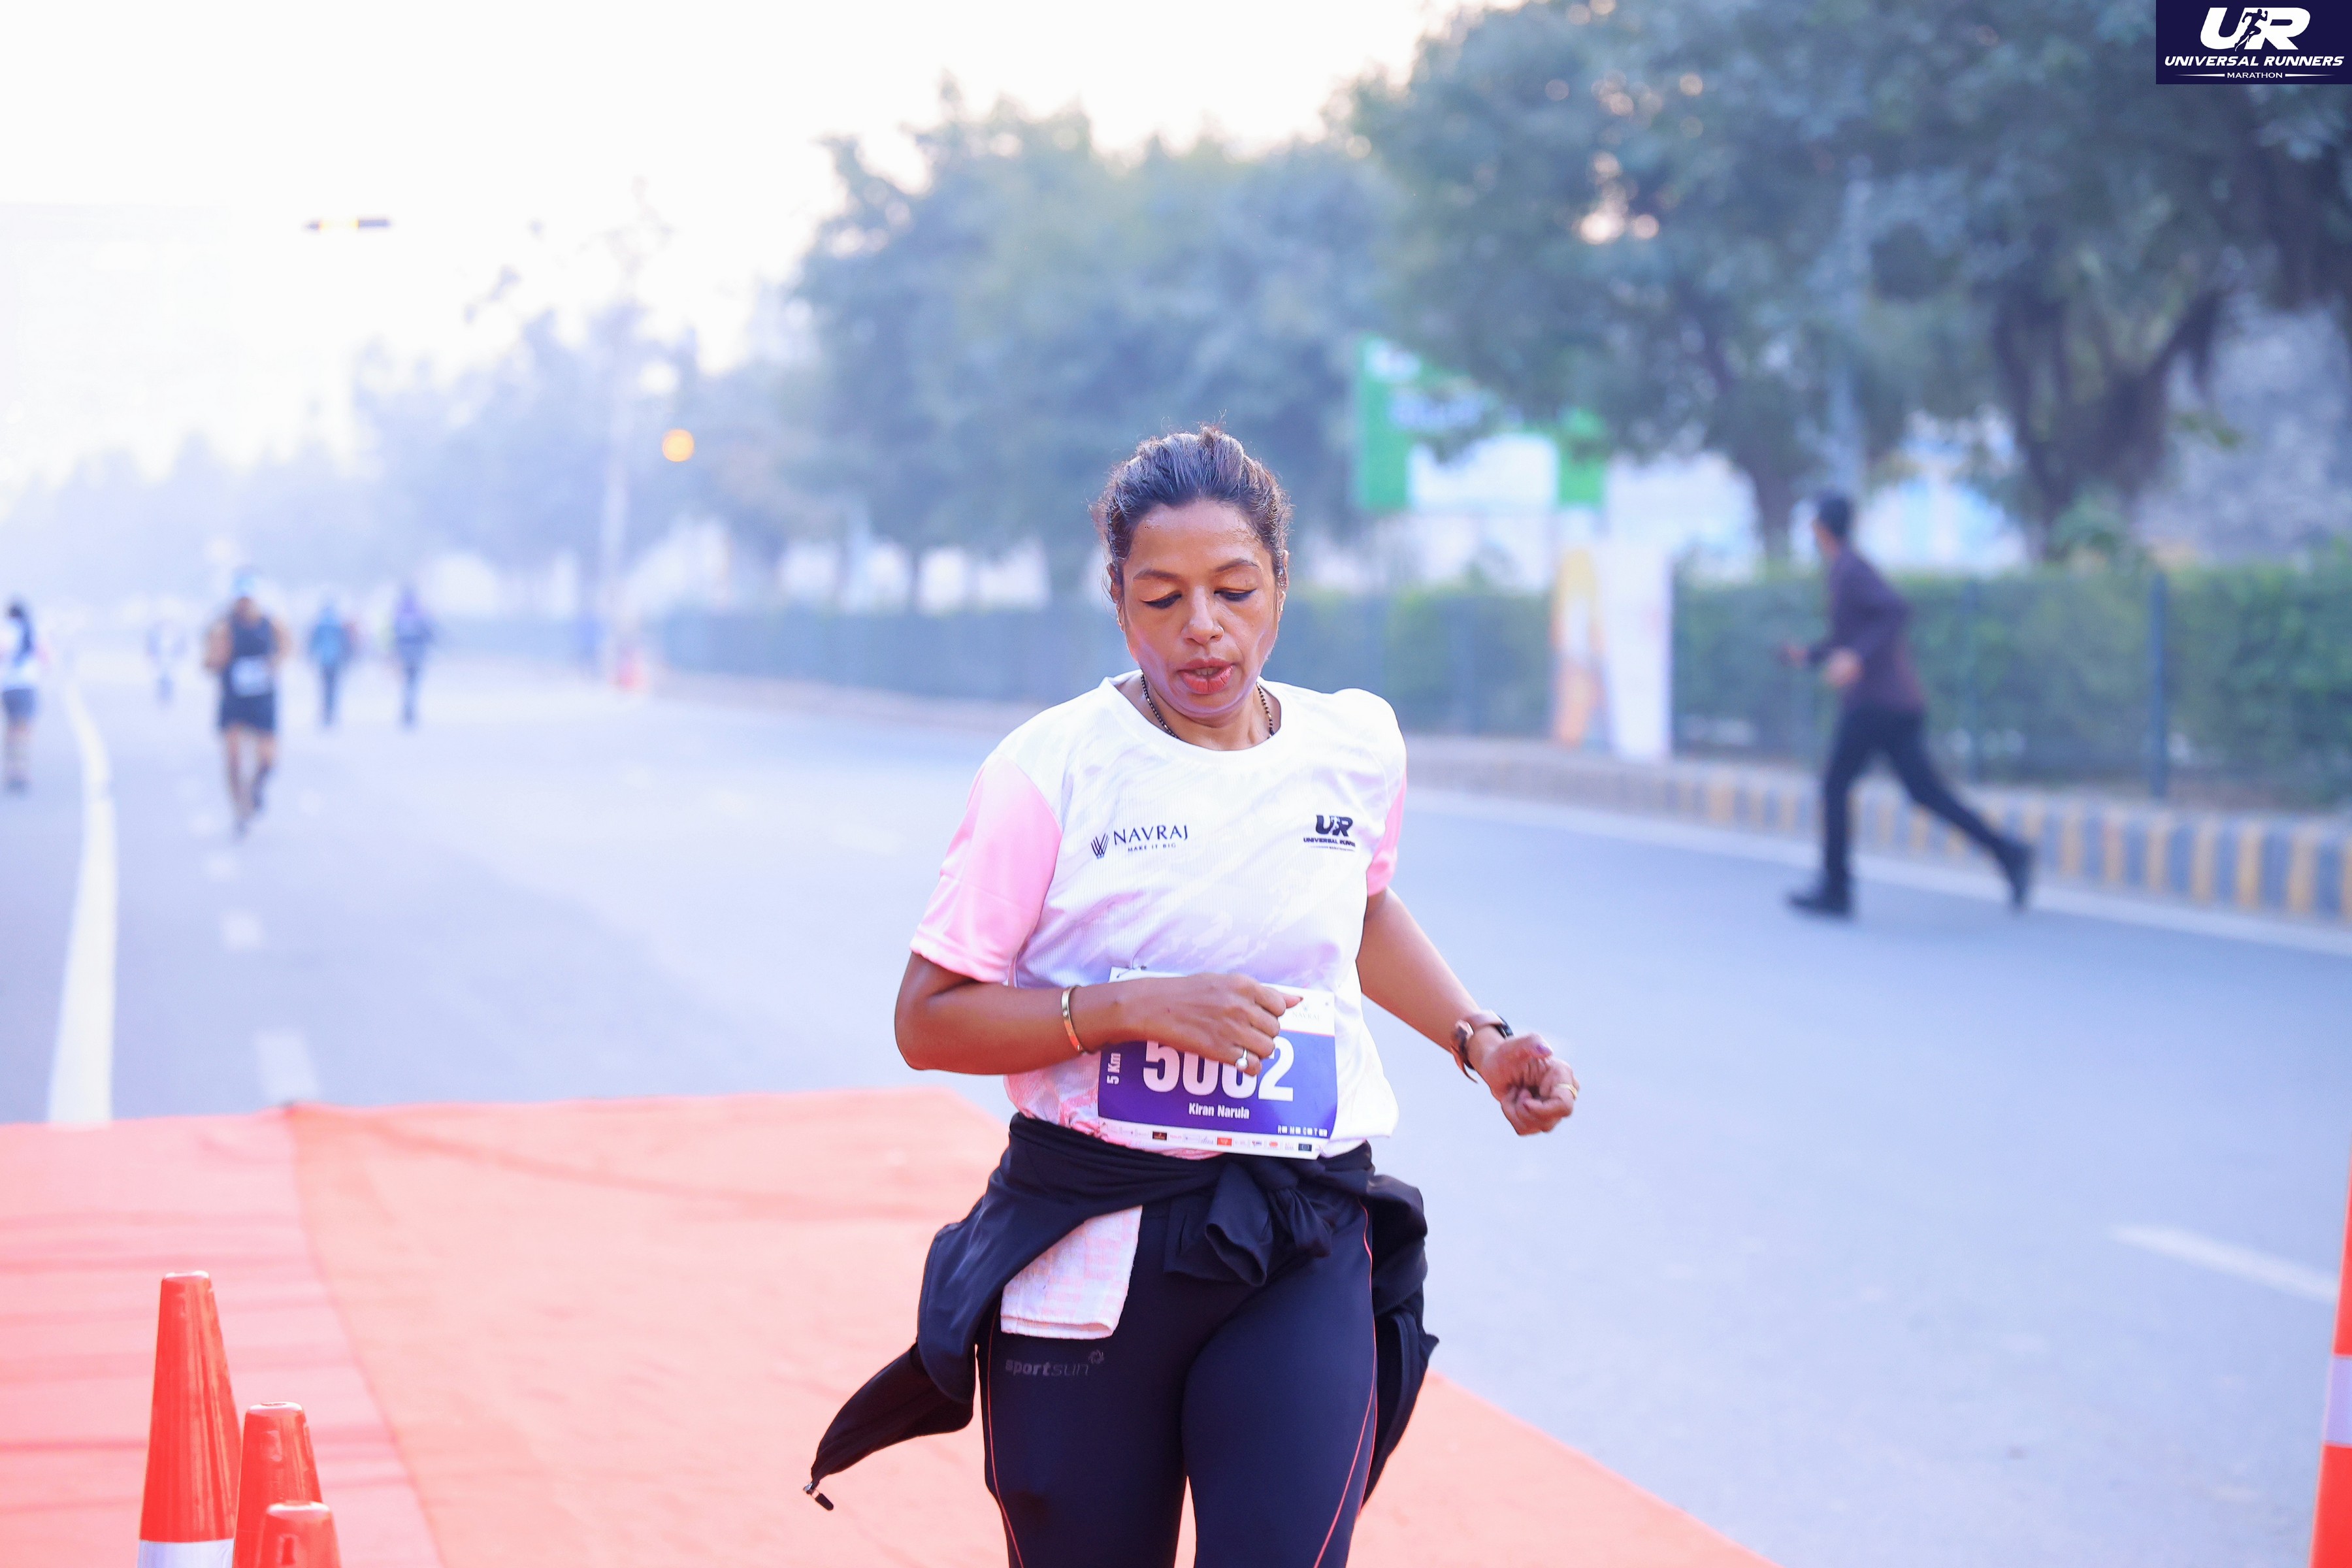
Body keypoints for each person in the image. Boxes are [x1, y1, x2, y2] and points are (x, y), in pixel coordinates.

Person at [806, 428, 1579, 1567]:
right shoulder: (1049, 769)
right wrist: (1128, 1009)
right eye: (1162, 598)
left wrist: (1478, 1036)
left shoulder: (1354, 746)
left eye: (1234, 590)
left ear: (1281, 588)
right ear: (1120, 603)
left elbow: (1360, 910)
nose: (1201, 627)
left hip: (1300, 1228)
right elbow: (927, 1018)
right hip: (1096, 1234)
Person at [1780, 493, 2033, 917]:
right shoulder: (1845, 569)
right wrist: (1811, 656)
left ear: (1820, 529)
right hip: (1894, 703)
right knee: (1924, 792)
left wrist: (1855, 657)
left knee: (1836, 785)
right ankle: (2009, 853)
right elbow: (1851, 637)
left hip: (1876, 704)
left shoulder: (1851, 570)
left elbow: (1895, 611)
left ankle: (1836, 890)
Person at [204, 572, 289, 835]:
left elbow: (287, 648)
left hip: (262, 699)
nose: (245, 604)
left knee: (268, 760)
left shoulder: (271, 624)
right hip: (234, 699)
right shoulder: (223, 626)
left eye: (248, 599)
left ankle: (256, 788)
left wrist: (274, 662)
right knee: (233, 759)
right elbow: (209, 662)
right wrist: (218, 658)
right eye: (241, 599)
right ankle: (239, 808)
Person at [4, 600, 41, 792]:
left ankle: (11, 770)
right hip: (26, 685)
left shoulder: (5, 630)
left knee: (11, 729)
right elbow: (45, 657)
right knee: (24, 730)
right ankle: (22, 771)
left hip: (7, 687)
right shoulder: (31, 630)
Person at [306, 598, 355, 728]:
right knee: (334, 687)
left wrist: (310, 656)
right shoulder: (338, 624)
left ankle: (325, 713)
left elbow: (313, 641)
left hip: (323, 659)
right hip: (336, 659)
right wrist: (347, 657)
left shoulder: (319, 624)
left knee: (324, 687)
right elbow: (345, 642)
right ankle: (332, 712)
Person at [390, 585, 434, 728]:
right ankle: (411, 711)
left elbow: (393, 635)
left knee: (406, 683)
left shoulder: (399, 613)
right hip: (417, 655)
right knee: (413, 683)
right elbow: (428, 633)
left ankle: (406, 710)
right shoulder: (420, 612)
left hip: (403, 655)